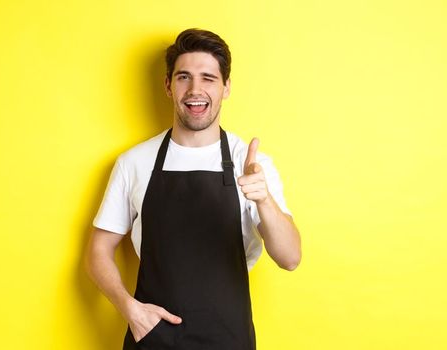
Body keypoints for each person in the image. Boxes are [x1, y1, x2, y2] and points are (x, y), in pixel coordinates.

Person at [84, 28, 302, 350]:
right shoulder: (135, 162)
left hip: (229, 339)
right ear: (168, 86)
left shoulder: (251, 163)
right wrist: (129, 309)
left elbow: (290, 258)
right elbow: (97, 251)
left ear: (226, 87)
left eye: (208, 78)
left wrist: (264, 199)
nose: (195, 89)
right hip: (153, 338)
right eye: (184, 77)